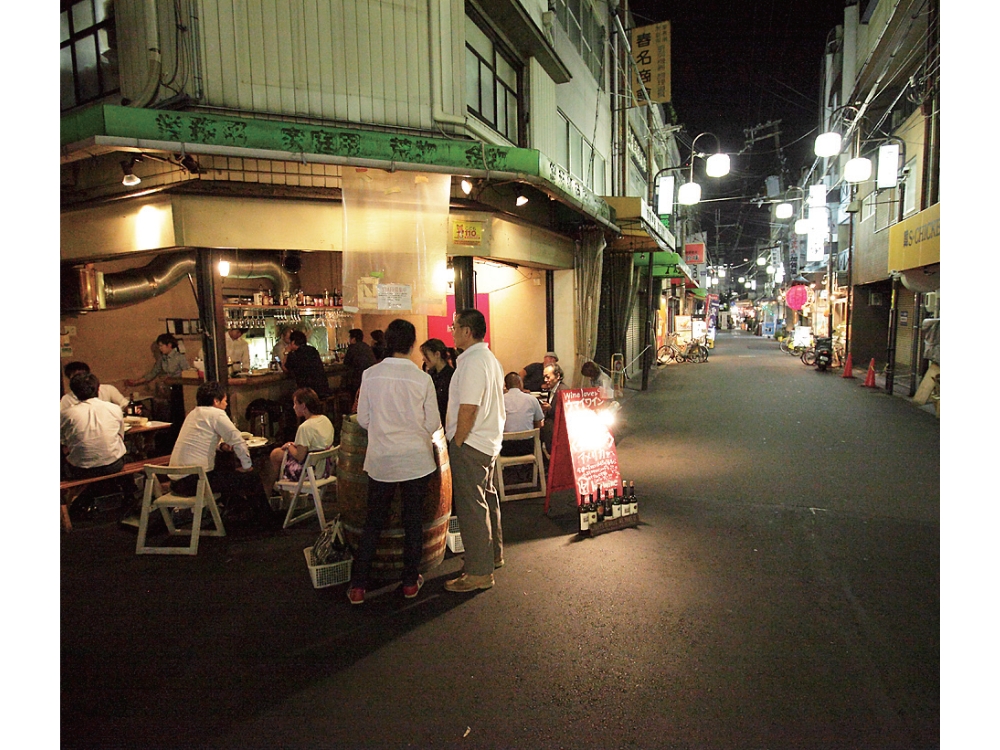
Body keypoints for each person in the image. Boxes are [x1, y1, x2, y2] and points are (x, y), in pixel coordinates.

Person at [348, 319, 441, 604]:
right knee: (413, 521)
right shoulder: (422, 378)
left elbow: (363, 419)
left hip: (382, 460)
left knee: (373, 521)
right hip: (416, 460)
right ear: (412, 344)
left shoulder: (371, 375)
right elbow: (434, 423)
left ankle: (358, 587)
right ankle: (410, 582)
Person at [444, 308, 506, 593]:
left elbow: (468, 407)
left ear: (467, 331)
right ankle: (491, 556)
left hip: (471, 443)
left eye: (455, 326)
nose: (452, 330)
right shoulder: (489, 359)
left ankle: (479, 572)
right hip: (489, 441)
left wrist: (457, 442)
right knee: (486, 499)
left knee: (471, 507)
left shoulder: (471, 362)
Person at [168, 381, 275, 526]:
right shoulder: (216, 414)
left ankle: (234, 513)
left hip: (177, 482)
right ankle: (266, 521)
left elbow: (201, 439)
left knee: (226, 470)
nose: (226, 404)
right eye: (224, 400)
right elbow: (238, 441)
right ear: (215, 401)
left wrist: (221, 446)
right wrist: (247, 466)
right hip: (195, 482)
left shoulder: (193, 414)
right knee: (251, 478)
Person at [261, 388, 335, 497]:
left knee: (275, 455)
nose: (293, 407)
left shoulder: (305, 427)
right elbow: (317, 445)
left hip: (310, 472)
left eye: (295, 403)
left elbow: (299, 456)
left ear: (303, 405)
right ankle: (277, 492)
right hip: (325, 467)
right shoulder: (325, 419)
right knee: (277, 453)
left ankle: (269, 493)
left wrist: (290, 445)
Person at [61, 373, 127, 480]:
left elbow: (63, 442)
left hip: (81, 469)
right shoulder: (114, 409)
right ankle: (130, 492)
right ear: (98, 388)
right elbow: (120, 436)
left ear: (74, 392)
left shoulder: (67, 414)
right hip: (114, 465)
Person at [501, 372, 543, 457]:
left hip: (506, 448)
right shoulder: (532, 399)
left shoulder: (500, 401)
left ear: (506, 386)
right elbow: (538, 424)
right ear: (520, 383)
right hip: (528, 446)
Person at [60, 361, 129, 412]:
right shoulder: (67, 399)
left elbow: (125, 405)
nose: (81, 379)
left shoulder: (108, 389)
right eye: (76, 377)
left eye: (83, 375)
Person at [282, 330, 331, 398]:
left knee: (286, 398)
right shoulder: (313, 350)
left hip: (308, 394)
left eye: (290, 343)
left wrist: (286, 353)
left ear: (293, 342)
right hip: (323, 389)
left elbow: (285, 369)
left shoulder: (294, 355)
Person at [420, 338, 455, 427]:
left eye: (426, 355)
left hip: (447, 424)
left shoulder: (451, 376)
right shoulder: (430, 376)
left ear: (437, 354)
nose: (423, 359)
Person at [342, 328, 376, 405]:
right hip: (370, 379)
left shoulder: (352, 348)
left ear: (353, 339)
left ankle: (352, 407)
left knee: (347, 385)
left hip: (357, 381)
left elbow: (346, 363)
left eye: (350, 338)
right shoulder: (367, 347)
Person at [539, 363, 568, 454]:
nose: (545, 380)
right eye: (544, 377)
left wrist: (550, 409)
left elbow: (565, 413)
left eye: (548, 377)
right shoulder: (553, 389)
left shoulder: (563, 390)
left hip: (558, 433)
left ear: (558, 376)